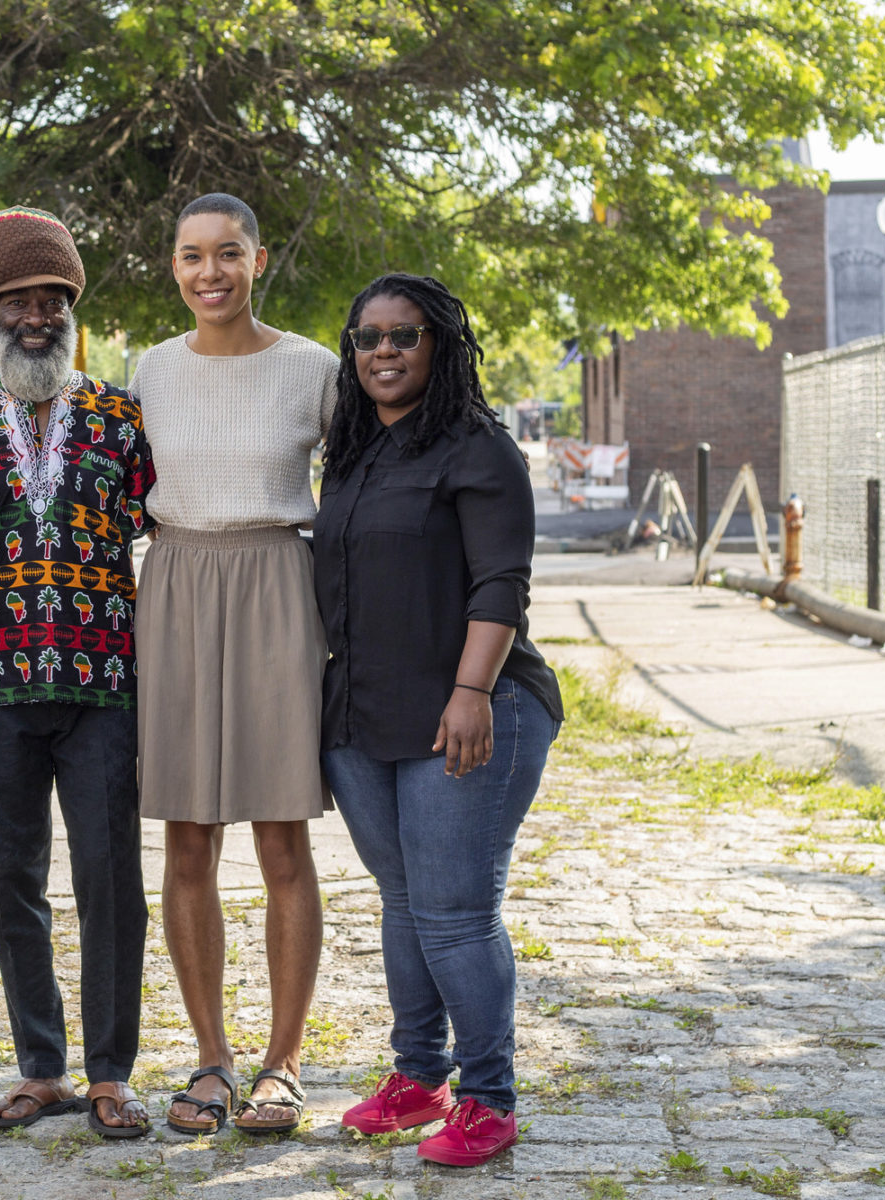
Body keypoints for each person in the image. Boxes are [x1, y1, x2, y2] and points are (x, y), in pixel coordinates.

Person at [315, 273, 563, 1167]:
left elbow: (501, 583)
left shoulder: (477, 448)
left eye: (404, 336)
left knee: (456, 912)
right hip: (363, 716)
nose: (384, 351)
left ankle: (488, 1100)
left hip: (471, 710)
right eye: (368, 336)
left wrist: (470, 693)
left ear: (440, 345)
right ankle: (418, 1078)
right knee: (404, 900)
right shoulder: (351, 451)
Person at [0, 207, 156, 1138]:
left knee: (111, 881)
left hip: (104, 688)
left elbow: (176, 530)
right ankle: (41, 1067)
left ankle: (110, 1072)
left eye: (51, 300)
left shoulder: (119, 416)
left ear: (73, 310)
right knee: (11, 881)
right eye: (16, 302)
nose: (35, 315)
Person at [130, 193, 336, 1137]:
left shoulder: (313, 371)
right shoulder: (148, 372)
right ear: (172, 267)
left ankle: (283, 1063)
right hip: (174, 584)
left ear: (258, 261)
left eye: (226, 254)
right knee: (187, 840)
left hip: (275, 580)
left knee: (283, 840)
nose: (207, 273)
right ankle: (209, 1057)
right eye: (189, 256)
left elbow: (371, 483)